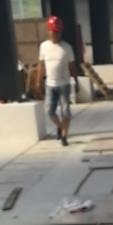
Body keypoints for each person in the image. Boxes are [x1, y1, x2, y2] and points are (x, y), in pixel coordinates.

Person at [37, 16, 79, 147]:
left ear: (60, 32)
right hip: (50, 85)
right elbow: (41, 65)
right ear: (48, 31)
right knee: (50, 111)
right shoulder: (44, 46)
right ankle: (60, 127)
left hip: (64, 85)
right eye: (53, 32)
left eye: (57, 32)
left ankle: (64, 137)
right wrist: (38, 82)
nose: (55, 35)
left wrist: (76, 81)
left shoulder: (67, 48)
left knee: (65, 112)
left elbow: (72, 66)